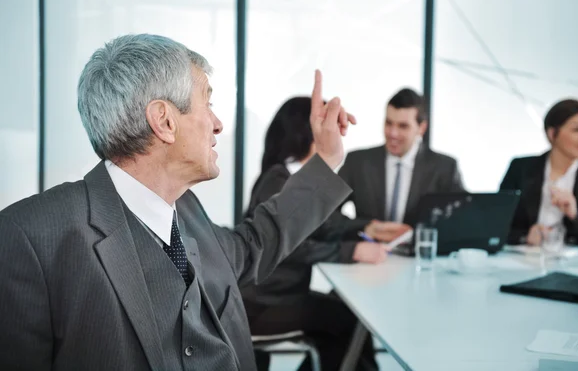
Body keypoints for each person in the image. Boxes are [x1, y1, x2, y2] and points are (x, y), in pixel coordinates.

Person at [0, 34, 356, 371]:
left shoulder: (188, 210)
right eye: (208, 103)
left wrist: (325, 162)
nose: (217, 124)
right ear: (164, 121)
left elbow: (255, 243)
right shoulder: (29, 238)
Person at [243, 97, 395, 371]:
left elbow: (322, 223)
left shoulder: (281, 176)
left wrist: (365, 227)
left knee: (342, 316)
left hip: (273, 298)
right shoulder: (277, 180)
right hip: (263, 306)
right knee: (346, 320)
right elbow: (292, 245)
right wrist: (353, 250)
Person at [338, 88, 465, 239]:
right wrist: (364, 228)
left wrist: (418, 235)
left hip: (418, 257)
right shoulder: (357, 162)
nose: (393, 133)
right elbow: (323, 215)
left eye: (403, 126)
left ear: (421, 128)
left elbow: (462, 220)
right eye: (389, 123)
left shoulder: (444, 168)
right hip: (367, 257)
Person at [499, 99, 578, 248]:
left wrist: (575, 215)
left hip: (577, 263)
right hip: (523, 257)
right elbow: (498, 222)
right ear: (552, 134)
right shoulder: (521, 168)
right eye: (577, 130)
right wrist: (524, 236)